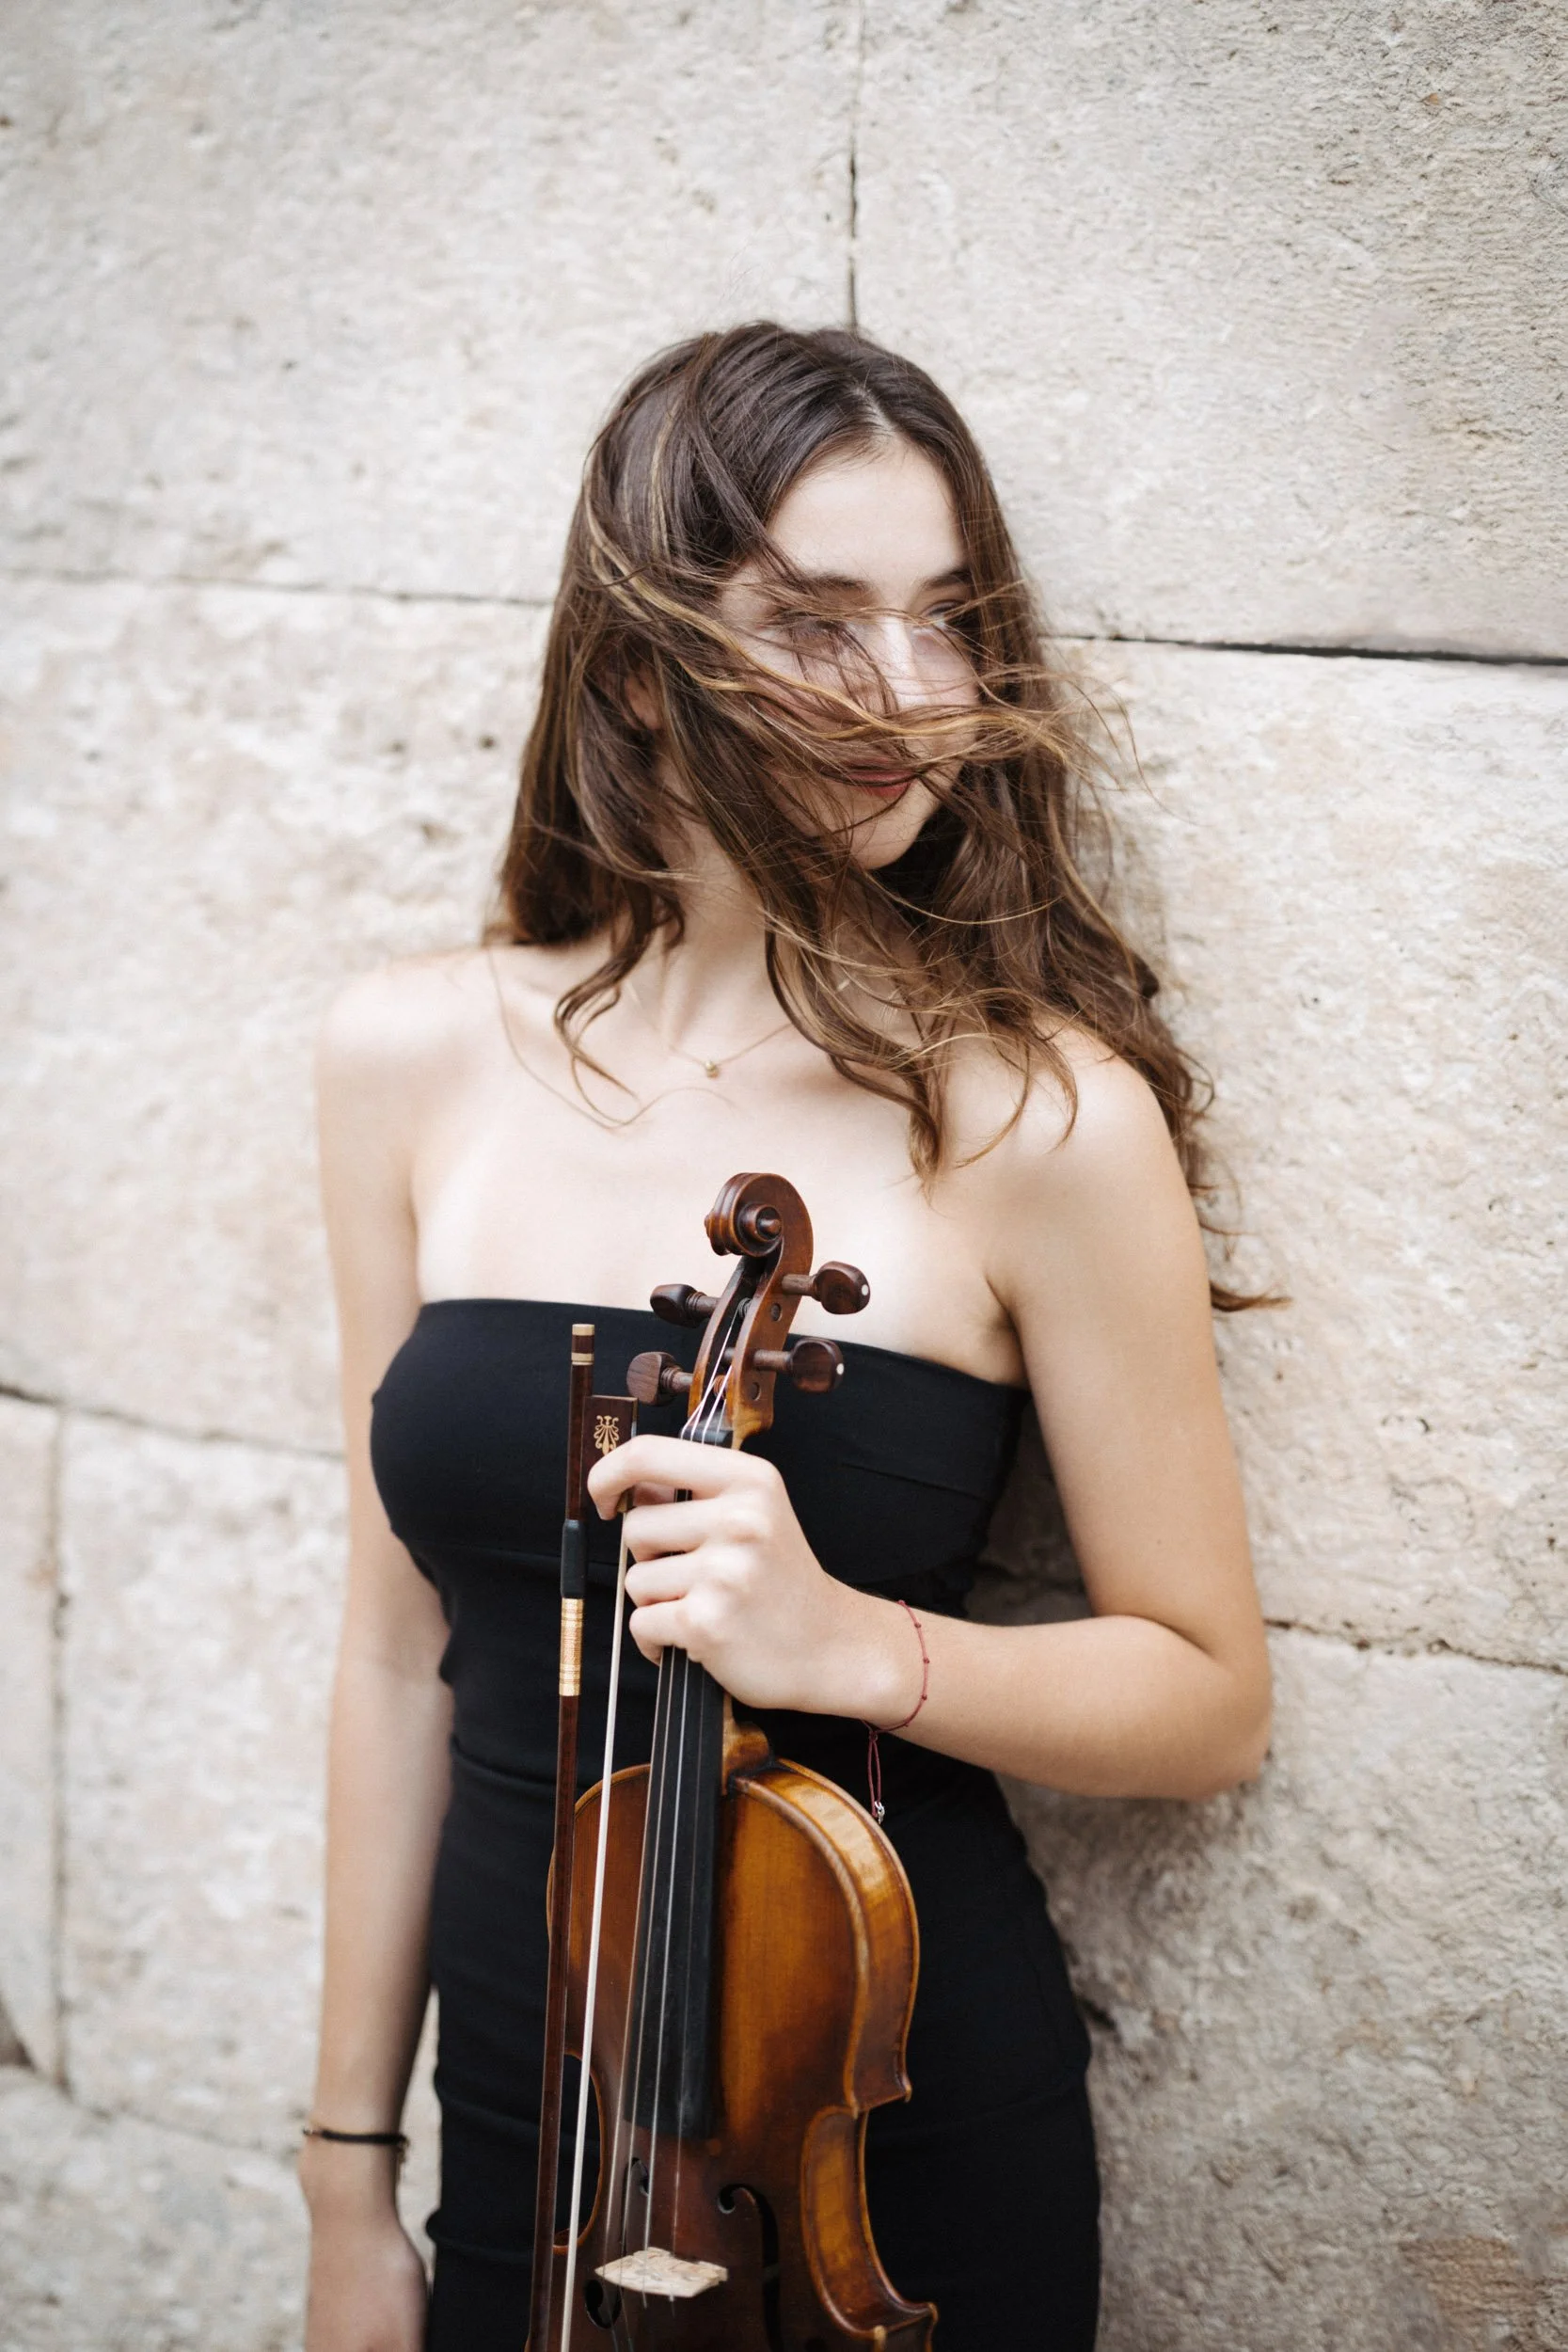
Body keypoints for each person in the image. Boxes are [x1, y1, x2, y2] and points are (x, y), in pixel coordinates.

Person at [297, 322, 1272, 2352]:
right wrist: (342, 2179)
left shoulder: (1034, 1115)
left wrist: (854, 1646)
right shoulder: (410, 1058)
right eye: (815, 622)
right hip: (524, 2122)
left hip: (864, 2141)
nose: (908, 695)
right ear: (638, 662)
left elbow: (1203, 1696)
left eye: (944, 622)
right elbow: (397, 1656)